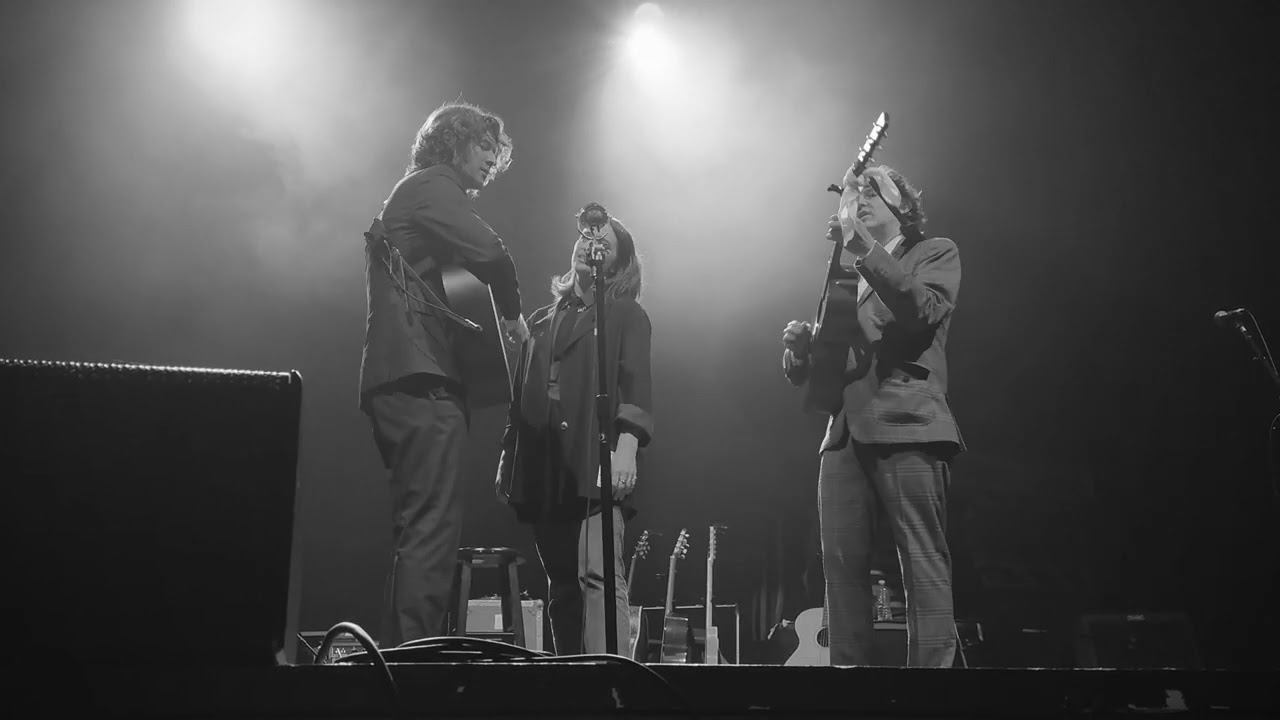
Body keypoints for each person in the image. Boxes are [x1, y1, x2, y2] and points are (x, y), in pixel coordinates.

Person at [359, 101, 530, 648]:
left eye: (494, 153)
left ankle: (402, 658)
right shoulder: (432, 184)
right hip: (420, 380)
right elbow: (492, 254)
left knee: (420, 529)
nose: (490, 162)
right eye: (483, 146)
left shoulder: (419, 199)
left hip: (404, 379)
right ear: (452, 142)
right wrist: (513, 316)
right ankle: (414, 669)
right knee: (432, 530)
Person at [781, 164, 964, 667]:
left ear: (902, 207)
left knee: (922, 562)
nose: (859, 199)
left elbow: (921, 310)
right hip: (842, 435)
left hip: (907, 421)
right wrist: (801, 353)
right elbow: (831, 364)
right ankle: (848, 690)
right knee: (839, 571)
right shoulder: (847, 273)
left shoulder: (935, 251)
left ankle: (930, 696)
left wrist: (863, 249)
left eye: (873, 193)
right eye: (854, 192)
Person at [495, 209, 653, 656]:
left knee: (598, 577)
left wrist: (626, 448)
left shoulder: (625, 314)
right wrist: (510, 458)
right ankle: (569, 682)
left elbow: (635, 383)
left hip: (593, 461)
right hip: (546, 468)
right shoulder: (542, 319)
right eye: (585, 236)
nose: (590, 244)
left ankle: (610, 685)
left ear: (618, 264)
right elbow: (519, 397)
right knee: (562, 585)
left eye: (603, 241)